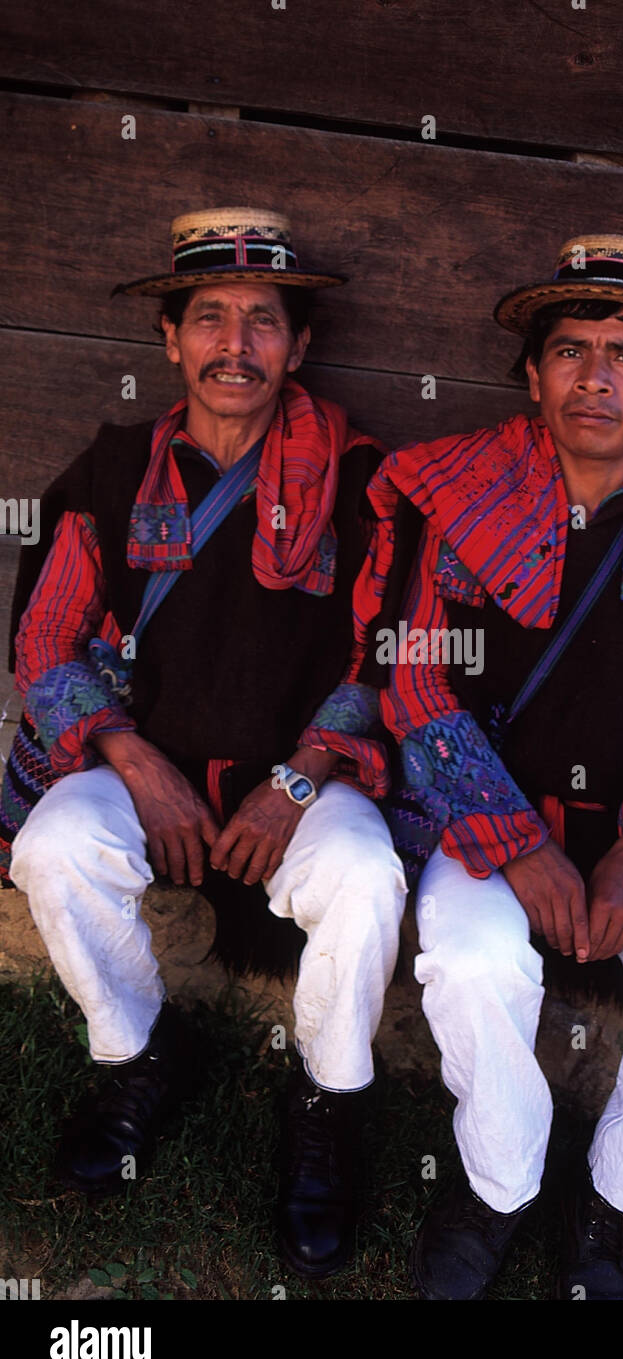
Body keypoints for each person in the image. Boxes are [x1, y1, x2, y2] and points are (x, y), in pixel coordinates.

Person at [1, 206, 407, 1280]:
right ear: (170, 341)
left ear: (300, 346)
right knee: (52, 848)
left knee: (366, 878)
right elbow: (44, 642)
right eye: (211, 317)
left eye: (264, 320)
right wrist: (137, 764)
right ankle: (138, 1054)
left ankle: (323, 1096)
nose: (237, 343)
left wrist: (292, 782)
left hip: (306, 783)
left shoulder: (364, 482)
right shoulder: (109, 472)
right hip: (146, 766)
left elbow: (391, 656)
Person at [363, 234, 623, 1299]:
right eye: (570, 350)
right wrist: (519, 845)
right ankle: (498, 1185)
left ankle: (615, 1208)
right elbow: (413, 687)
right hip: (484, 822)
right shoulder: (456, 501)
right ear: (533, 374)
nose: (595, 377)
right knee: (474, 960)